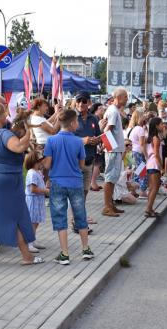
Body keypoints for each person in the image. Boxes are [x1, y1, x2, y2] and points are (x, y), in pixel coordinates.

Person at [0, 102, 43, 266]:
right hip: (5, 181)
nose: (7, 115)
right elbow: (19, 147)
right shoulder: (3, 134)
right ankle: (27, 257)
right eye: (4, 113)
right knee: (16, 217)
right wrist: (28, 132)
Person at [43, 110, 94, 265]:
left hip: (57, 183)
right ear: (72, 123)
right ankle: (85, 249)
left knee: (60, 217)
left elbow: (47, 164)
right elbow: (82, 164)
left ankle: (65, 253)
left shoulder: (51, 141)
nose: (78, 124)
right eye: (77, 121)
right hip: (75, 182)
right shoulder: (79, 142)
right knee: (80, 215)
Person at [73, 92, 100, 229]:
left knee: (84, 191)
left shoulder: (93, 119)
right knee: (76, 192)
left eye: (84, 101)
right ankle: (77, 221)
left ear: (89, 103)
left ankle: (79, 217)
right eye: (78, 101)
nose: (81, 104)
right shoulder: (71, 118)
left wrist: (96, 140)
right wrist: (83, 140)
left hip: (89, 159)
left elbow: (98, 136)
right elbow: (66, 138)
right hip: (76, 162)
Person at [101, 87, 128, 217]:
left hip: (115, 149)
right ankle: (107, 206)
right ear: (118, 97)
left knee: (113, 178)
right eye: (125, 97)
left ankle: (110, 204)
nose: (127, 99)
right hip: (113, 149)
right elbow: (108, 129)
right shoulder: (112, 110)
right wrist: (105, 145)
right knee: (110, 178)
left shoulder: (114, 110)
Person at [24, 151, 48, 253]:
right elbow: (32, 189)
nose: (42, 163)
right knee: (32, 222)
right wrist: (46, 191)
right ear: (35, 162)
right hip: (33, 200)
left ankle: (33, 240)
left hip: (38, 200)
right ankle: (29, 242)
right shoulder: (32, 173)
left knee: (36, 221)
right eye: (40, 161)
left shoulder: (37, 172)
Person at [145, 117, 165, 217]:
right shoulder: (156, 138)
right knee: (155, 188)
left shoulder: (150, 138)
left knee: (152, 188)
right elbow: (157, 154)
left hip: (149, 164)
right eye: (161, 124)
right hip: (154, 164)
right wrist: (161, 167)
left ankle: (150, 208)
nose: (163, 126)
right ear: (156, 126)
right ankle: (148, 209)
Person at [126, 107, 148, 198]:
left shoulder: (132, 128)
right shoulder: (140, 129)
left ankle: (133, 191)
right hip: (138, 153)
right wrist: (147, 156)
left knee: (137, 173)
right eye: (144, 115)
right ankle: (142, 191)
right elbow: (142, 144)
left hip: (132, 153)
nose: (145, 117)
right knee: (143, 173)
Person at [89, 103, 105, 192]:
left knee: (97, 163)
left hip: (99, 142)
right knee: (97, 163)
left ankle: (93, 182)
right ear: (95, 110)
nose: (102, 109)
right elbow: (96, 132)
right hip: (96, 142)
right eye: (100, 108)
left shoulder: (99, 118)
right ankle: (93, 182)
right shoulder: (94, 119)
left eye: (102, 108)